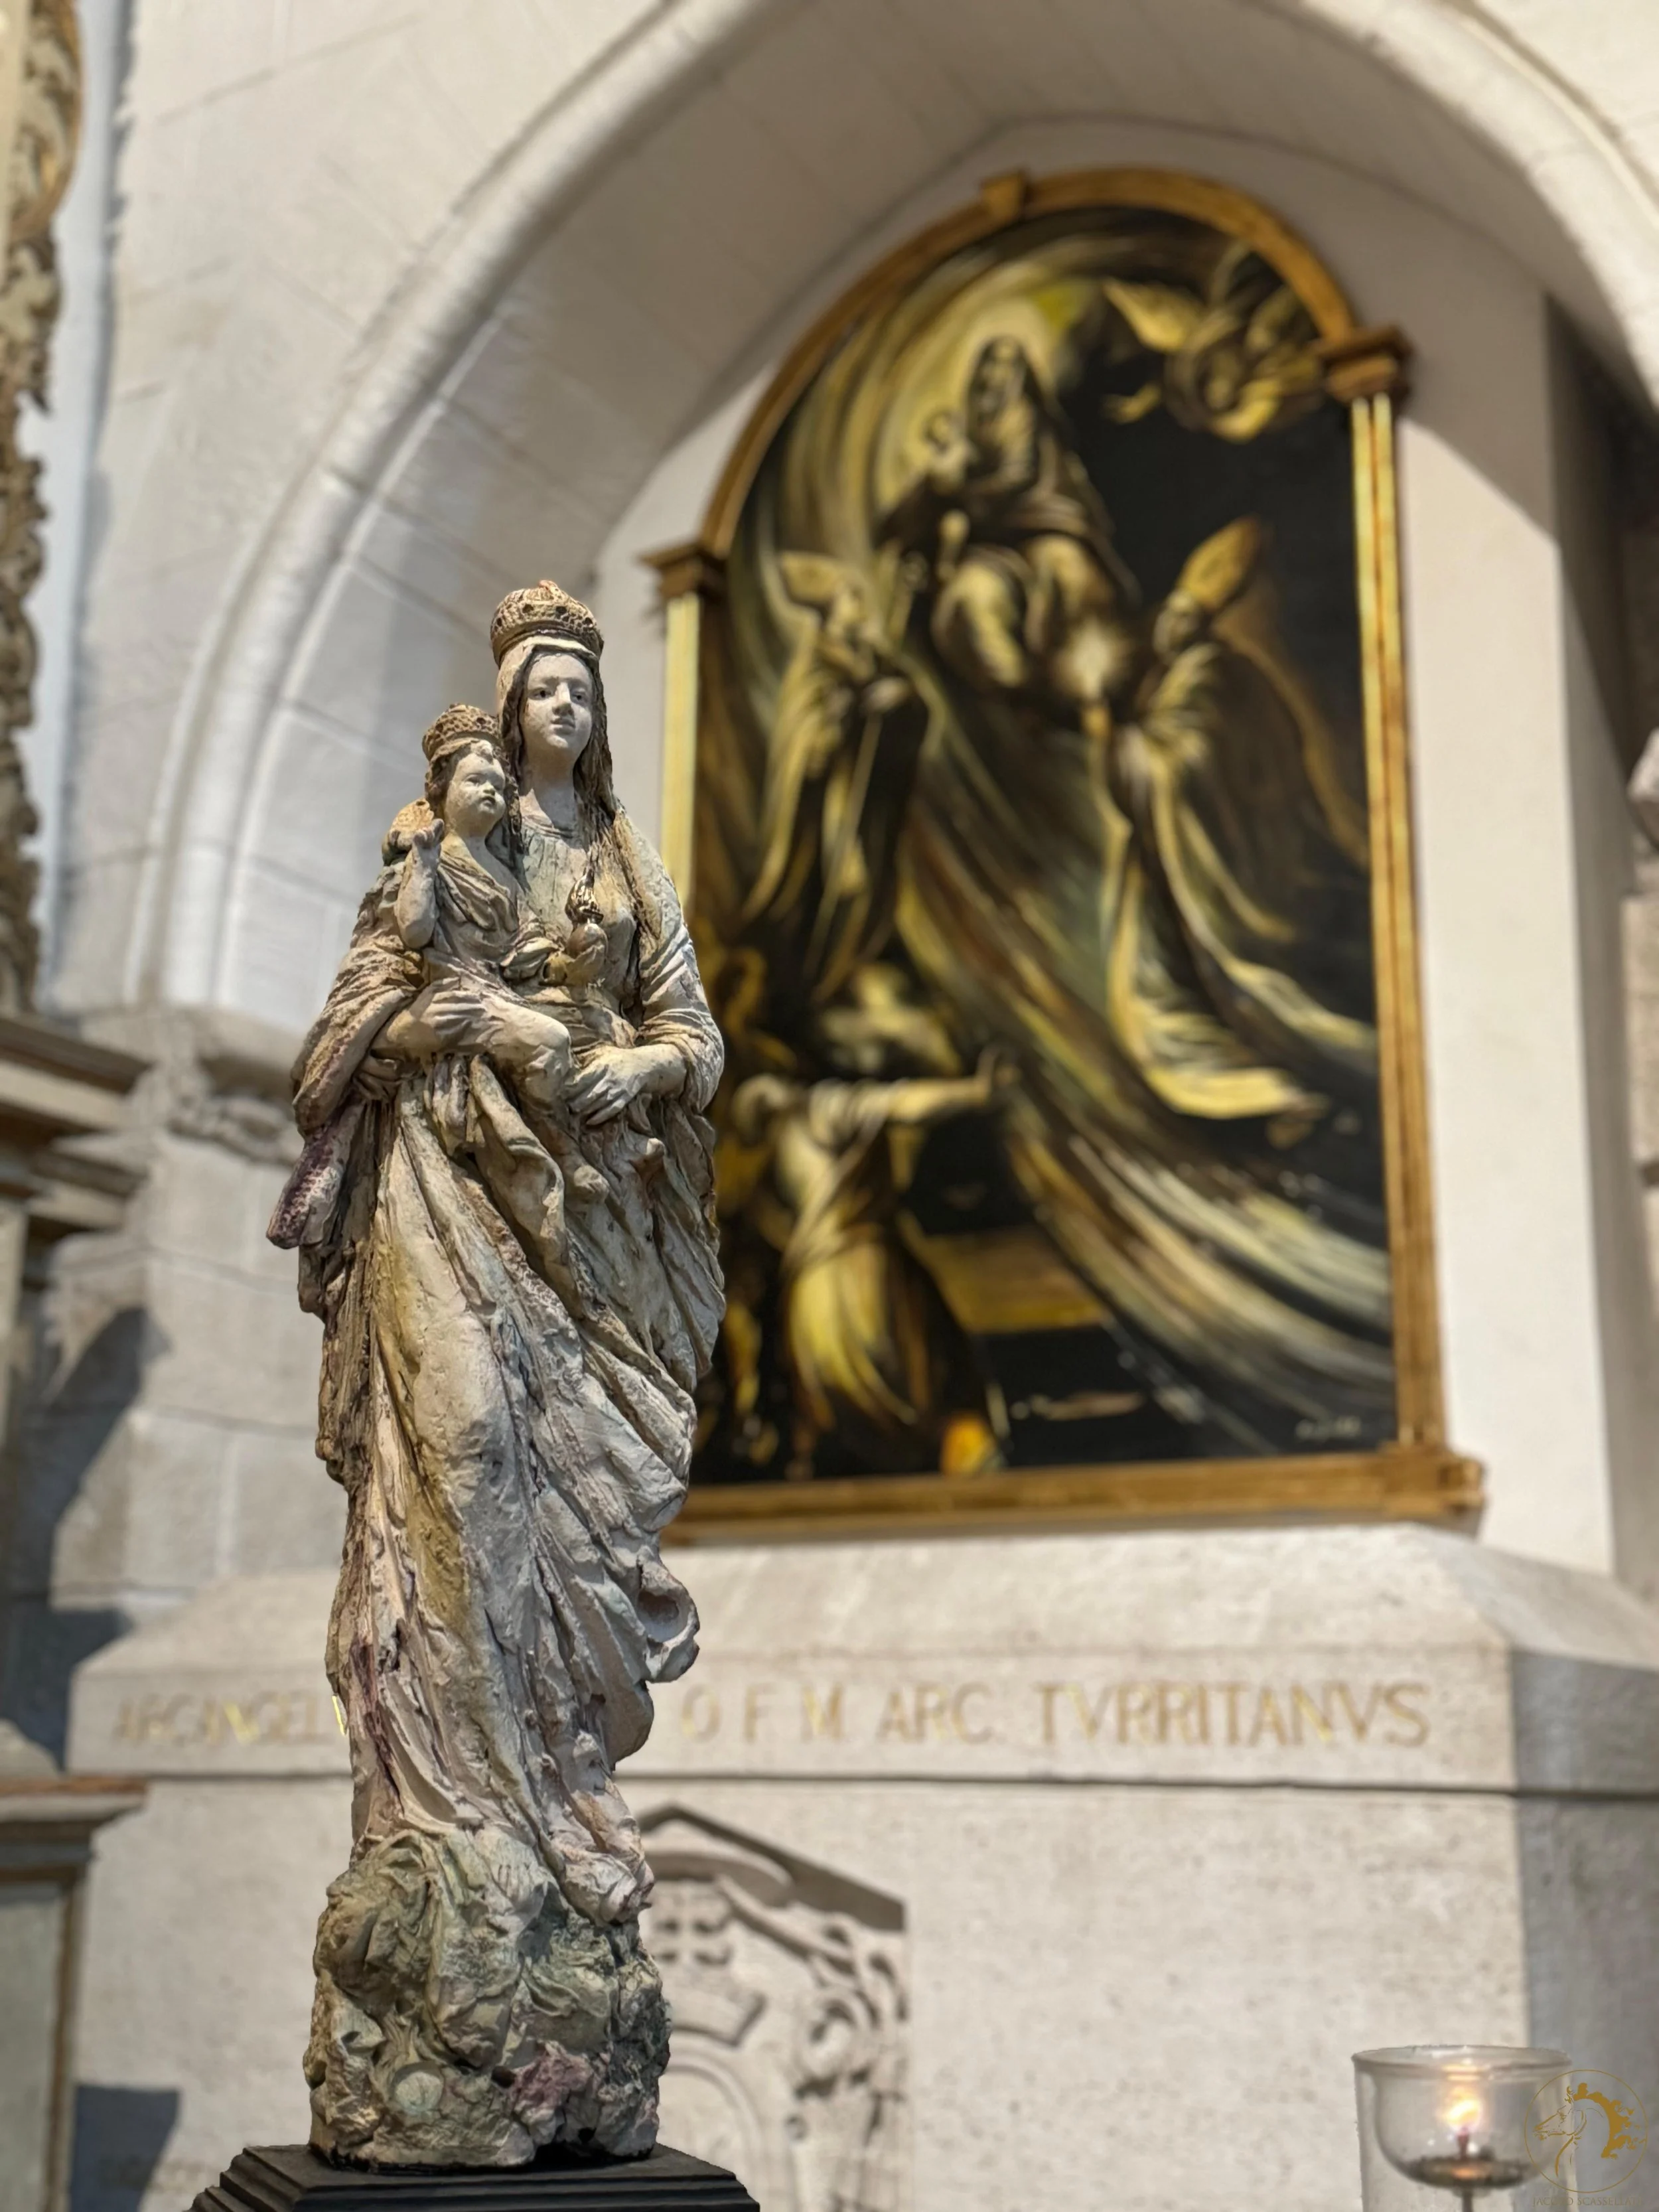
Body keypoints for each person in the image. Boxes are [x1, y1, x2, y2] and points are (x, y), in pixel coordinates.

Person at [267, 579, 723, 2168]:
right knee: (456, 1463)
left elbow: (698, 1036)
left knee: (575, 1513)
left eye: (587, 686)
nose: (568, 706)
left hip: (585, 1220)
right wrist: (437, 1025)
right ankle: (455, 1825)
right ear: (502, 703)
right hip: (437, 1199)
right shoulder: (429, 858)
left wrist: (620, 1060)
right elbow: (336, 1038)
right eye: (546, 683)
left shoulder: (619, 858)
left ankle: (552, 1806)